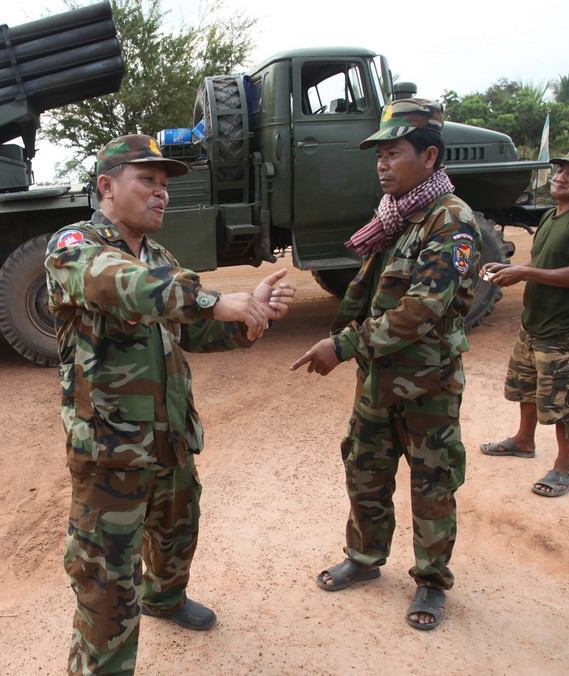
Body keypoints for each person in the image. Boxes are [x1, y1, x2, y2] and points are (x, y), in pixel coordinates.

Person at [47, 134, 295, 675]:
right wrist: (213, 299)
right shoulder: (75, 247)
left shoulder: (158, 256)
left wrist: (250, 319)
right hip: (111, 450)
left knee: (177, 533)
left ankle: (166, 599)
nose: (162, 195)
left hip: (170, 438)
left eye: (165, 186)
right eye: (148, 182)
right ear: (107, 187)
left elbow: (194, 331)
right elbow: (126, 286)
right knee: (107, 587)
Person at [290, 99, 480, 631]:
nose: (381, 164)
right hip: (377, 379)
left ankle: (431, 582)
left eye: (393, 152)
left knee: (432, 480)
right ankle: (366, 558)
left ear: (430, 156)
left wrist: (343, 345)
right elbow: (370, 294)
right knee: (365, 471)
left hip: (427, 383)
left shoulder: (451, 222)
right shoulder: (395, 216)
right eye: (378, 153)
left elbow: (422, 309)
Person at [479, 144, 569, 498]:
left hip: (564, 327)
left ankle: (564, 469)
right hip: (535, 321)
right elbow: (548, 267)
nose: (561, 177)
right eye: (560, 170)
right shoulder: (556, 214)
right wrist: (513, 269)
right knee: (528, 386)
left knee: (563, 401)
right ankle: (524, 440)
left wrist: (524, 272)